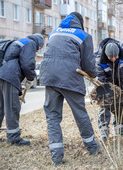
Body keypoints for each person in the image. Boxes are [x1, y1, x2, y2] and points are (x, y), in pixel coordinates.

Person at [39, 12, 100, 166]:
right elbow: (88, 63)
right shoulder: (83, 35)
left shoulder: (53, 33)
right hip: (71, 76)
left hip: (50, 77)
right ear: (80, 22)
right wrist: (93, 75)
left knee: (52, 116)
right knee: (80, 113)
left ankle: (56, 157)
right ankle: (92, 147)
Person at [0, 33, 44, 145]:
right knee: (12, 107)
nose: (38, 50)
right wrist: (31, 78)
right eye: (39, 48)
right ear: (38, 43)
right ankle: (14, 138)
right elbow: (27, 64)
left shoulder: (20, 42)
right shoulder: (30, 43)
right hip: (10, 77)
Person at [96, 38, 123, 141]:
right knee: (105, 107)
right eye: (110, 57)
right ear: (106, 55)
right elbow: (100, 77)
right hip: (108, 86)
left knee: (120, 107)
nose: (113, 59)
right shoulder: (100, 61)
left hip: (122, 84)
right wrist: (107, 88)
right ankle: (104, 131)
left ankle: (119, 129)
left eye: (115, 57)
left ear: (119, 53)